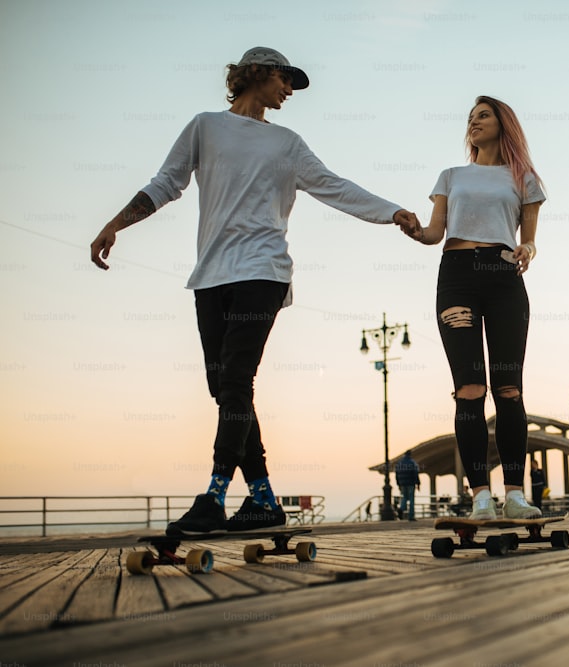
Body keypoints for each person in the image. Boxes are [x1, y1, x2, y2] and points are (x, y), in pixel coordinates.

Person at [90, 47, 419, 535]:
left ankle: (215, 496)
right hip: (210, 275)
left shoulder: (287, 143)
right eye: (286, 80)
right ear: (258, 74)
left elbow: (333, 185)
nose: (290, 91)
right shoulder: (205, 127)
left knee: (236, 379)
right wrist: (116, 224)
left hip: (263, 271)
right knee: (223, 388)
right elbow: (166, 183)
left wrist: (391, 212)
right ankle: (263, 499)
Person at [401, 95, 545, 520]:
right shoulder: (451, 175)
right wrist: (415, 231)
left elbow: (530, 237)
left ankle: (515, 495)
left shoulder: (523, 178)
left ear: (504, 124)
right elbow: (434, 233)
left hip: (504, 279)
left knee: (509, 390)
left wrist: (529, 248)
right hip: (458, 275)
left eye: (483, 115)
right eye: (470, 118)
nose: (474, 123)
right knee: (469, 389)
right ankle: (481, 495)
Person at [395, 450, 420, 521]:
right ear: (410, 455)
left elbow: (396, 474)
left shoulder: (399, 463)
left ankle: (401, 509)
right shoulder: (412, 463)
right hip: (411, 483)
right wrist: (418, 483)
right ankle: (411, 516)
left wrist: (398, 484)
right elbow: (415, 474)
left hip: (402, 483)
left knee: (404, 497)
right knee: (411, 499)